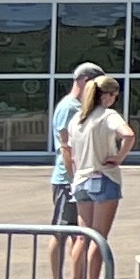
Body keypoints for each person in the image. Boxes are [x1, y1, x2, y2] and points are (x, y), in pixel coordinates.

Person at [57, 75, 136, 279]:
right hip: (103, 177)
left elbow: (69, 152)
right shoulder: (108, 116)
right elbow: (128, 134)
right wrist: (119, 156)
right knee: (100, 236)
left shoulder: (78, 120)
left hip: (81, 180)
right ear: (108, 95)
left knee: (83, 236)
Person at [45, 64, 106, 234]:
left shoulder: (81, 107)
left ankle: (77, 262)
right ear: (86, 81)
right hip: (67, 180)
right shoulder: (69, 108)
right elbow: (65, 147)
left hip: (81, 178)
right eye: (97, 86)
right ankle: (56, 262)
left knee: (79, 231)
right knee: (61, 229)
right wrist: (73, 179)